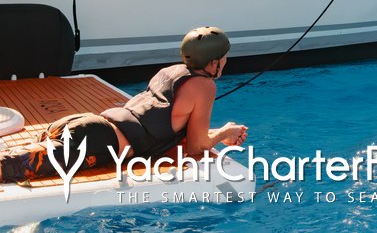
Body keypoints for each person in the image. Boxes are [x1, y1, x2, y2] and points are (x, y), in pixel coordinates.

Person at [0, 26, 248, 184]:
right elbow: (196, 147)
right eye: (224, 58)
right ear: (214, 63)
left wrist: (220, 133)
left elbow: (171, 126)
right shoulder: (205, 86)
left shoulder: (171, 71)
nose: (226, 62)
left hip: (86, 125)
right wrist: (225, 133)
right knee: (7, 168)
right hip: (97, 142)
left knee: (11, 160)